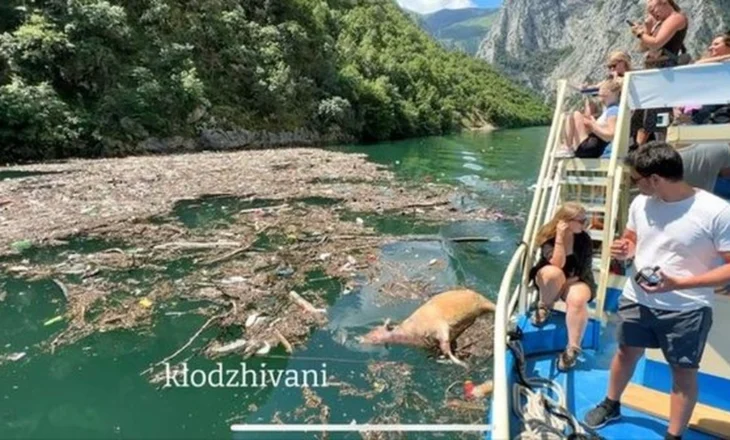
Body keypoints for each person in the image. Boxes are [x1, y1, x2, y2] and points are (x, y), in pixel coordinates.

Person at [584, 142, 730, 440]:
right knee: (625, 353)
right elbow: (633, 237)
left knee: (682, 372)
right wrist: (625, 248)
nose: (634, 185)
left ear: (655, 179)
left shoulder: (717, 212)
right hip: (637, 298)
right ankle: (611, 403)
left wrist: (679, 284)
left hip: (687, 308)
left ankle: (673, 436)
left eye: (637, 179)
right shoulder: (641, 204)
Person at [528, 202, 596, 371]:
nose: (585, 224)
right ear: (565, 221)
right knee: (553, 273)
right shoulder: (548, 237)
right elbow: (557, 264)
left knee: (578, 299)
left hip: (577, 278)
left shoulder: (584, 239)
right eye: (581, 221)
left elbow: (585, 267)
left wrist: (570, 281)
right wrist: (559, 237)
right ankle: (545, 305)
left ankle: (572, 349)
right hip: (552, 279)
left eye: (585, 220)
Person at [630, 0, 689, 147]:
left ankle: (654, 148)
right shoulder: (659, 22)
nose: (652, 13)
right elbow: (643, 47)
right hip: (653, 69)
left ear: (664, 3)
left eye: (653, 9)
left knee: (658, 112)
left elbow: (656, 43)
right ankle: (639, 148)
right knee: (644, 113)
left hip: (665, 70)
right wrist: (647, 30)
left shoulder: (676, 18)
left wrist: (640, 33)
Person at [556, 79, 621, 158]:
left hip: (591, 149)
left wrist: (592, 125)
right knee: (575, 116)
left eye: (601, 89)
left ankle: (567, 147)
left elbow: (610, 135)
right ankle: (567, 146)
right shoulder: (610, 110)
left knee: (576, 115)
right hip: (591, 147)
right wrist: (591, 124)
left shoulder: (613, 110)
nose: (598, 92)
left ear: (608, 92)